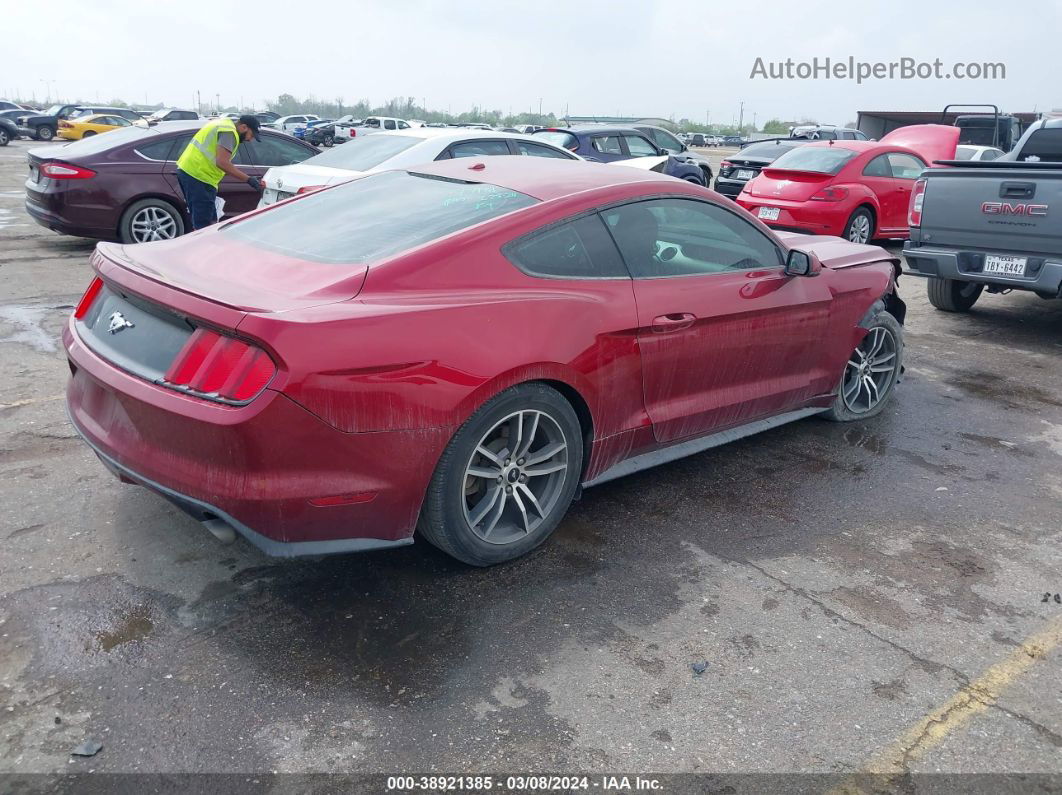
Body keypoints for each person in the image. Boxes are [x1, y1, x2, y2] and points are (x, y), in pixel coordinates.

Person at [175, 114, 264, 230]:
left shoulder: (223, 124)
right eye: (251, 135)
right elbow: (222, 162)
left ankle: (206, 245)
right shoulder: (229, 133)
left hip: (192, 173)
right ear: (244, 127)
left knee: (208, 221)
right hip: (199, 177)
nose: (250, 140)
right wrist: (249, 180)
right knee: (204, 226)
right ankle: (204, 247)